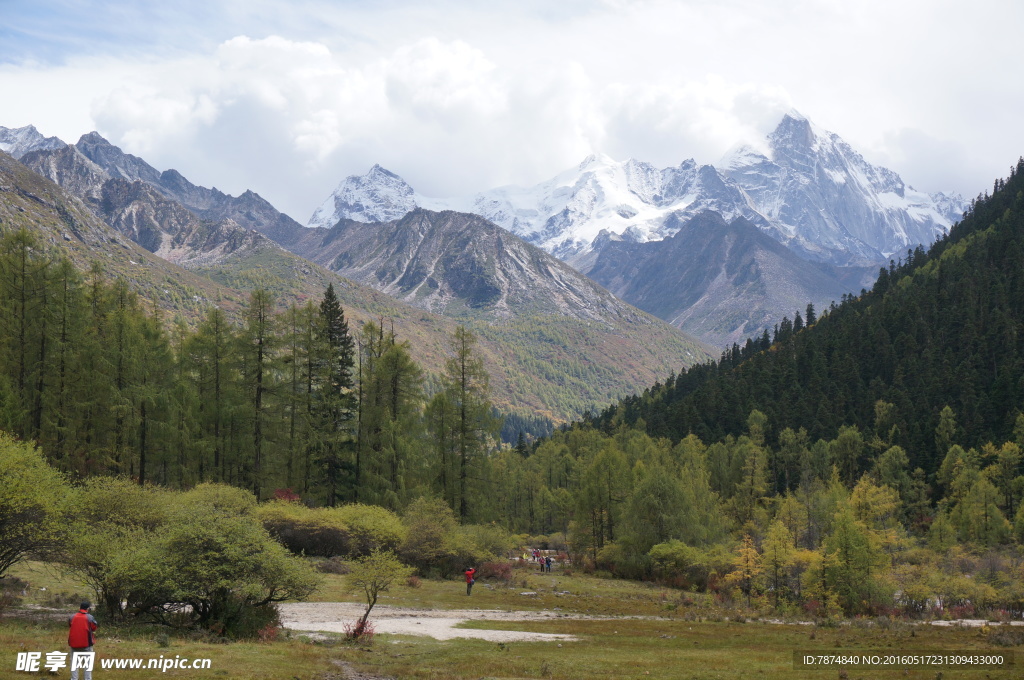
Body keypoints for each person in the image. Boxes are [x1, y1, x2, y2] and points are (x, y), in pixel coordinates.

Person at [68, 601, 98, 680]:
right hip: (86, 645)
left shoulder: (72, 617)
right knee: (87, 665)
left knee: (74, 664)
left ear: (80, 608)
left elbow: (70, 625)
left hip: (74, 644)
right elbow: (94, 627)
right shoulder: (89, 617)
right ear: (88, 608)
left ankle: (74, 679)